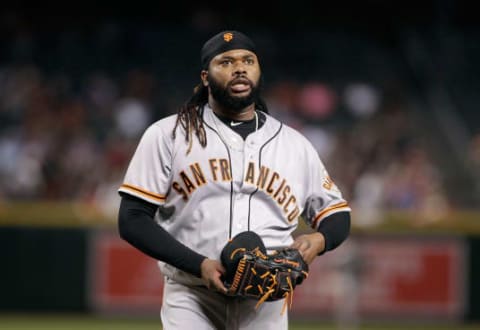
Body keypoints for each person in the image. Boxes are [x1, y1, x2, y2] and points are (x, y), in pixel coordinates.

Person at [118, 30, 351, 330]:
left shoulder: (295, 145)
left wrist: (319, 240)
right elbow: (132, 219)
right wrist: (199, 265)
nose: (239, 67)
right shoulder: (169, 135)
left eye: (248, 61)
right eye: (225, 62)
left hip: (266, 303)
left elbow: (337, 214)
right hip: (192, 296)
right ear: (205, 77)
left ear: (258, 71)